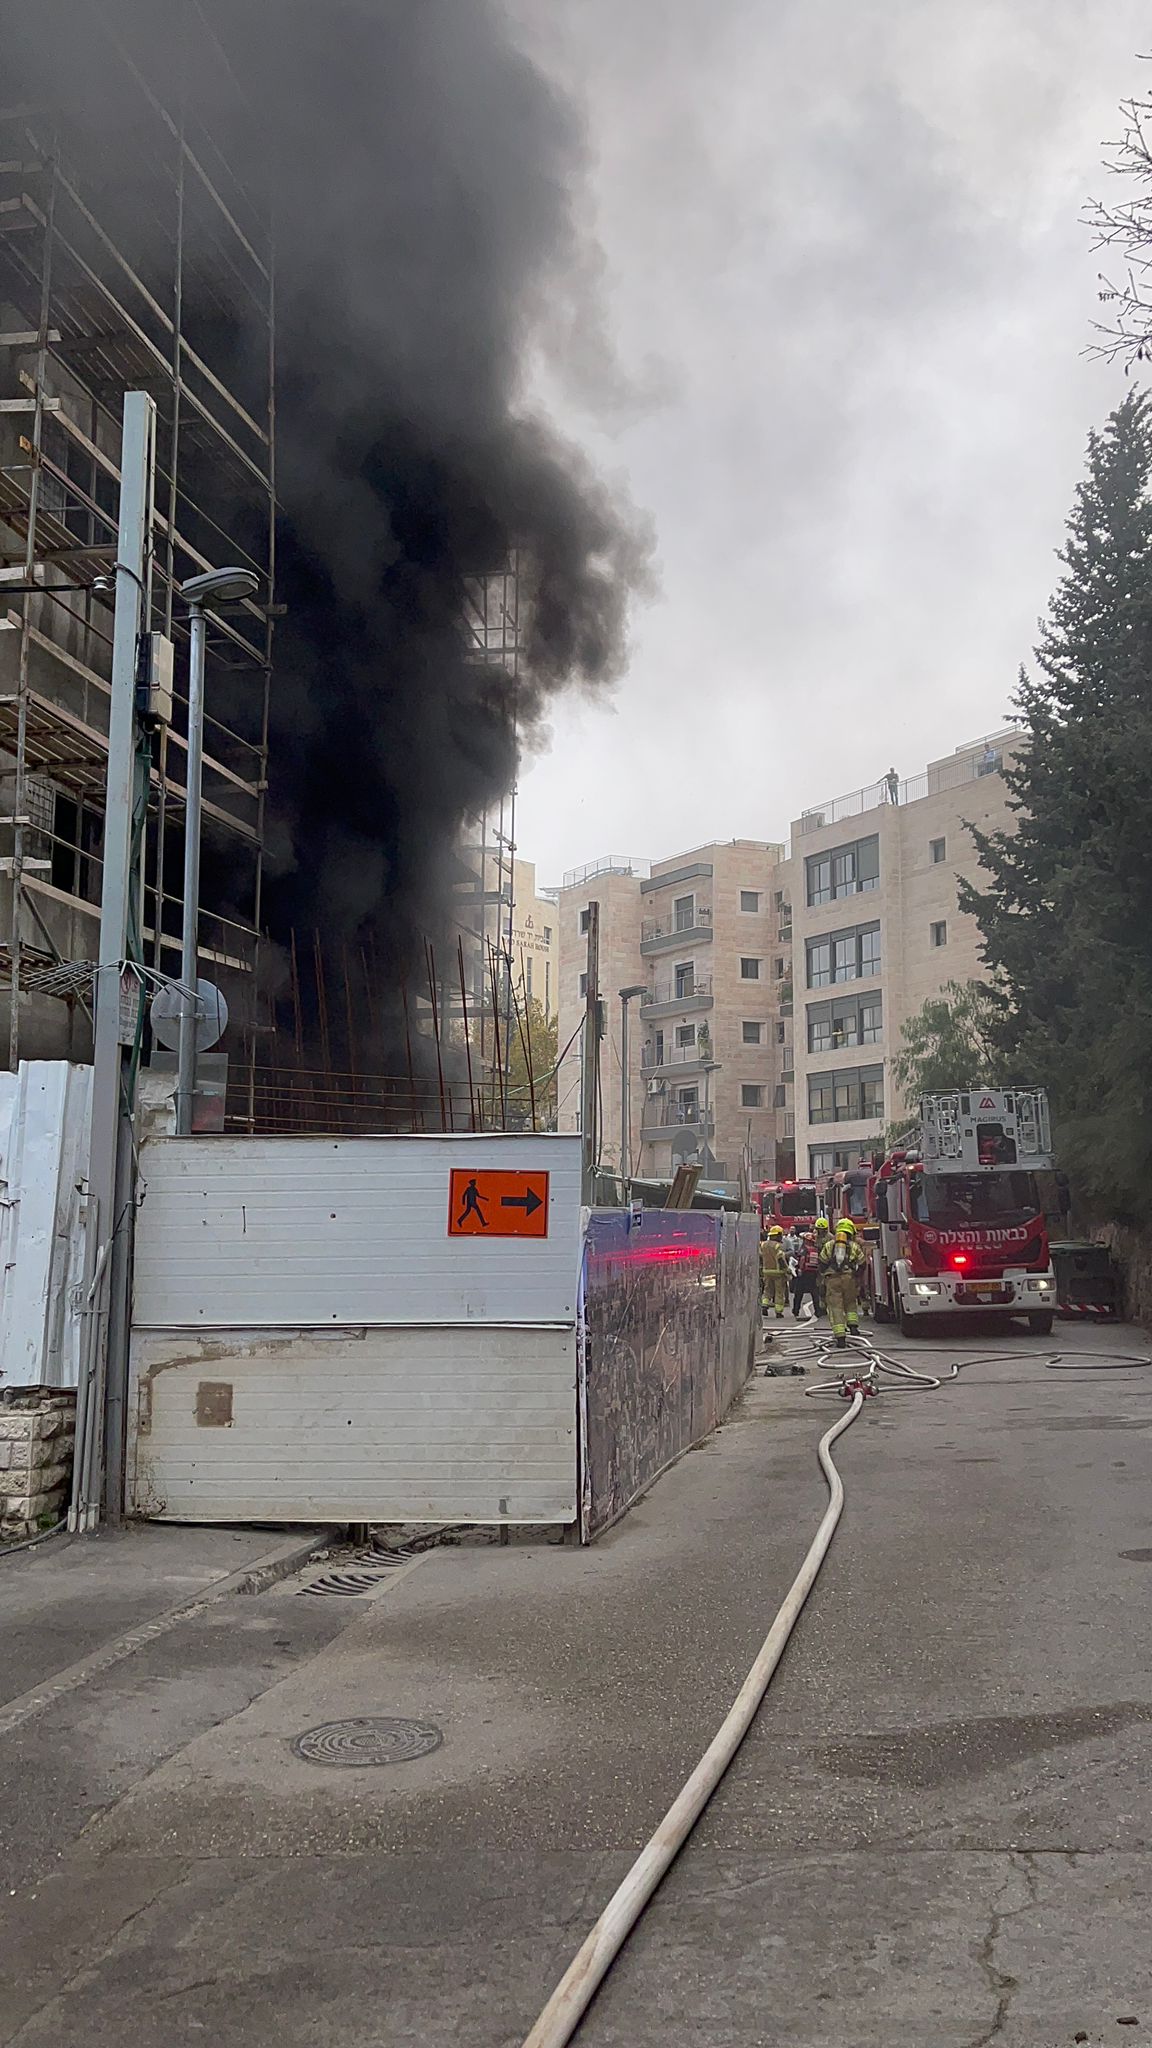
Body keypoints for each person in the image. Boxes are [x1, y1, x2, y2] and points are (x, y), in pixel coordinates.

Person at [819, 1219, 866, 1348]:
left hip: (833, 1279)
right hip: (849, 1278)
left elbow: (822, 1262)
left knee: (836, 1307)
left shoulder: (829, 1245)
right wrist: (856, 1276)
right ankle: (853, 1327)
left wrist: (825, 1274)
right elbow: (863, 1263)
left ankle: (840, 1338)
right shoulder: (854, 1246)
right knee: (851, 1303)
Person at [791, 1226, 822, 1320]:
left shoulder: (804, 1249)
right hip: (813, 1273)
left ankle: (796, 1310)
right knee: (814, 1292)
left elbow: (802, 1259)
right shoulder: (815, 1249)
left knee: (798, 1293)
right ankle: (818, 1310)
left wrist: (799, 1269)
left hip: (804, 1273)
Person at [759, 1225, 789, 1319]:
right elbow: (781, 1259)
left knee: (767, 1290)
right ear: (777, 1235)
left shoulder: (763, 1245)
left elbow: (760, 1256)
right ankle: (778, 1312)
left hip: (766, 1271)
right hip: (778, 1272)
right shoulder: (778, 1246)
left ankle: (764, 1305)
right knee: (779, 1292)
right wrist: (787, 1269)